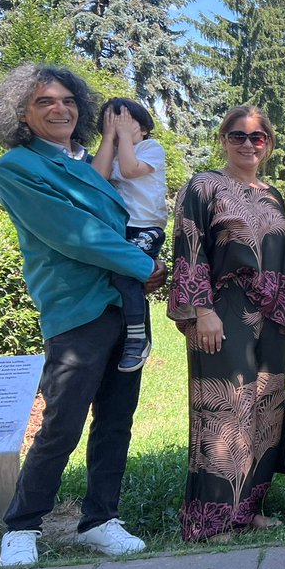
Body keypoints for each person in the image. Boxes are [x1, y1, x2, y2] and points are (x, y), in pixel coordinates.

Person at [0, 64, 166, 567]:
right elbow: (72, 233)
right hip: (78, 308)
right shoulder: (20, 167)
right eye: (44, 101)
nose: (59, 108)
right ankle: (22, 524)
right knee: (62, 422)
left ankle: (100, 520)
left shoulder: (92, 160)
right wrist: (143, 262)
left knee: (116, 419)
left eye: (67, 100)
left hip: (124, 304)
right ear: (21, 113)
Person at [167, 106, 285, 542]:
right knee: (225, 410)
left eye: (257, 137)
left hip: (272, 317)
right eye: (238, 136)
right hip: (224, 311)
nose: (247, 144)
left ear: (268, 144)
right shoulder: (205, 186)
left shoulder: (273, 194)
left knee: (265, 410)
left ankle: (250, 509)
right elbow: (190, 247)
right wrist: (201, 310)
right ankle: (211, 521)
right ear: (224, 139)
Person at [92, 97, 169, 373]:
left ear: (145, 128)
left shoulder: (151, 148)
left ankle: (138, 337)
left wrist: (122, 137)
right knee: (120, 279)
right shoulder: (111, 152)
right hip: (122, 228)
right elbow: (95, 181)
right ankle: (131, 335)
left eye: (127, 122)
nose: (120, 127)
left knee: (125, 274)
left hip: (147, 225)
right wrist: (110, 137)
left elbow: (129, 169)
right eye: (111, 122)